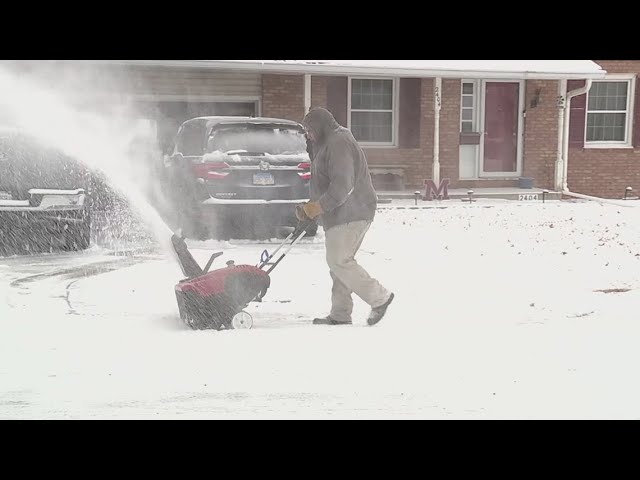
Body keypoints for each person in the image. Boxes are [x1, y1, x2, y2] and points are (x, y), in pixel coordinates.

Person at [296, 107, 394, 326]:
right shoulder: (324, 143)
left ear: (321, 127)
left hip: (353, 211)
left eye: (309, 130)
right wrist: (309, 208)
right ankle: (340, 314)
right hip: (339, 213)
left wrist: (317, 207)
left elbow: (342, 186)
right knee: (339, 263)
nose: (308, 134)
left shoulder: (338, 142)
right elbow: (323, 181)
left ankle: (380, 298)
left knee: (338, 260)